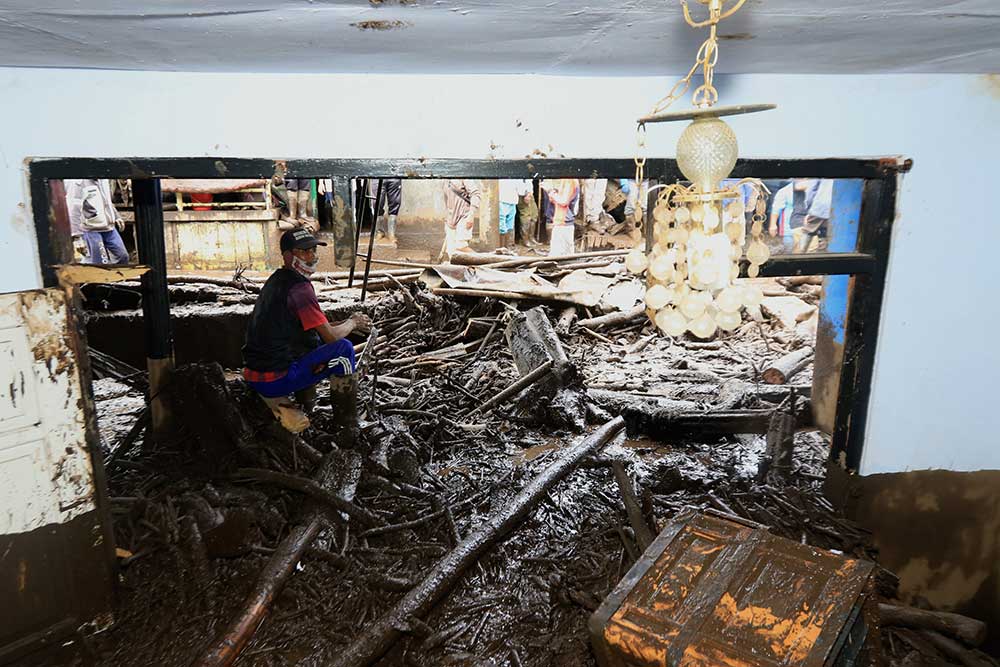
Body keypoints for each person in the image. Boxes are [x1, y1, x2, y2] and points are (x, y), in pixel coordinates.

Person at [242, 228, 371, 432]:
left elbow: (317, 329)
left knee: (313, 342)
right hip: (275, 380)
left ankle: (307, 404)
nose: (311, 257)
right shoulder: (300, 289)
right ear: (287, 256)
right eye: (303, 251)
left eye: (312, 250)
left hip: (255, 373)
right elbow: (330, 337)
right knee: (344, 350)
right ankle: (347, 423)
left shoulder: (277, 280)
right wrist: (353, 322)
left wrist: (346, 323)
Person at [66, 179, 130, 265]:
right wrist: (77, 237)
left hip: (108, 227)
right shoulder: (78, 183)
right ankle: (91, 274)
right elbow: (73, 210)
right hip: (91, 229)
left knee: (122, 256)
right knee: (100, 262)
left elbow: (107, 201)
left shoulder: (103, 179)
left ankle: (113, 277)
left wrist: (116, 216)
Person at [769, 179, 832, 252]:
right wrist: (773, 225)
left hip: (804, 225)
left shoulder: (816, 187)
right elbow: (776, 209)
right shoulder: (785, 191)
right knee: (795, 250)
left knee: (808, 249)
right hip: (791, 228)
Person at [443, 179, 481, 258]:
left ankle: (483, 260)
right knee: (451, 251)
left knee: (461, 246)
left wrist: (471, 216)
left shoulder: (464, 177)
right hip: (451, 218)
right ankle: (458, 269)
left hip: (464, 215)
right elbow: (446, 200)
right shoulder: (445, 180)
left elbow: (476, 194)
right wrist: (447, 218)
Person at [498, 179, 527, 249]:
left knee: (502, 225)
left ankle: (502, 247)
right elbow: (522, 192)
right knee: (509, 226)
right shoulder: (517, 178)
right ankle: (507, 247)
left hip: (502, 200)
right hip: (511, 202)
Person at [373, 179, 403, 247]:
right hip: (377, 175)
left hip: (394, 174)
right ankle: (379, 231)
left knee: (395, 202)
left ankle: (391, 233)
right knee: (377, 203)